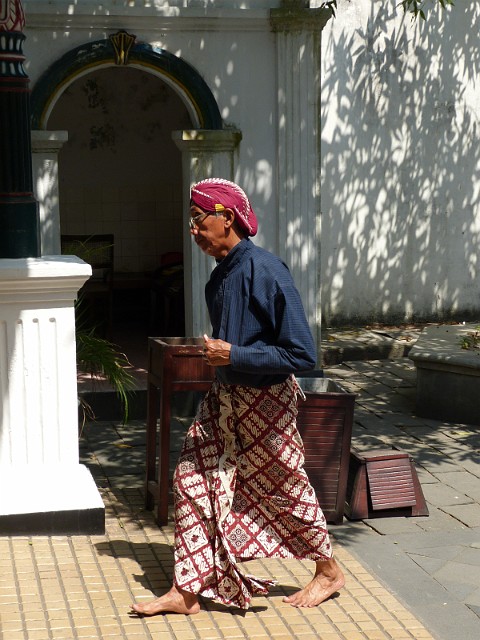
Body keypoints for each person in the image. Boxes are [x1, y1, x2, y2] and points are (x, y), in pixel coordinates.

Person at [131, 178, 345, 616]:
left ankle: (328, 570)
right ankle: (185, 591)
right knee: (190, 480)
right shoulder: (218, 278)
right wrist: (220, 357)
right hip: (224, 401)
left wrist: (233, 353)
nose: (192, 230)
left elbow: (302, 353)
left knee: (284, 488)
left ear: (226, 217)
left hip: (267, 405)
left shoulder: (266, 270)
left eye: (198, 219)